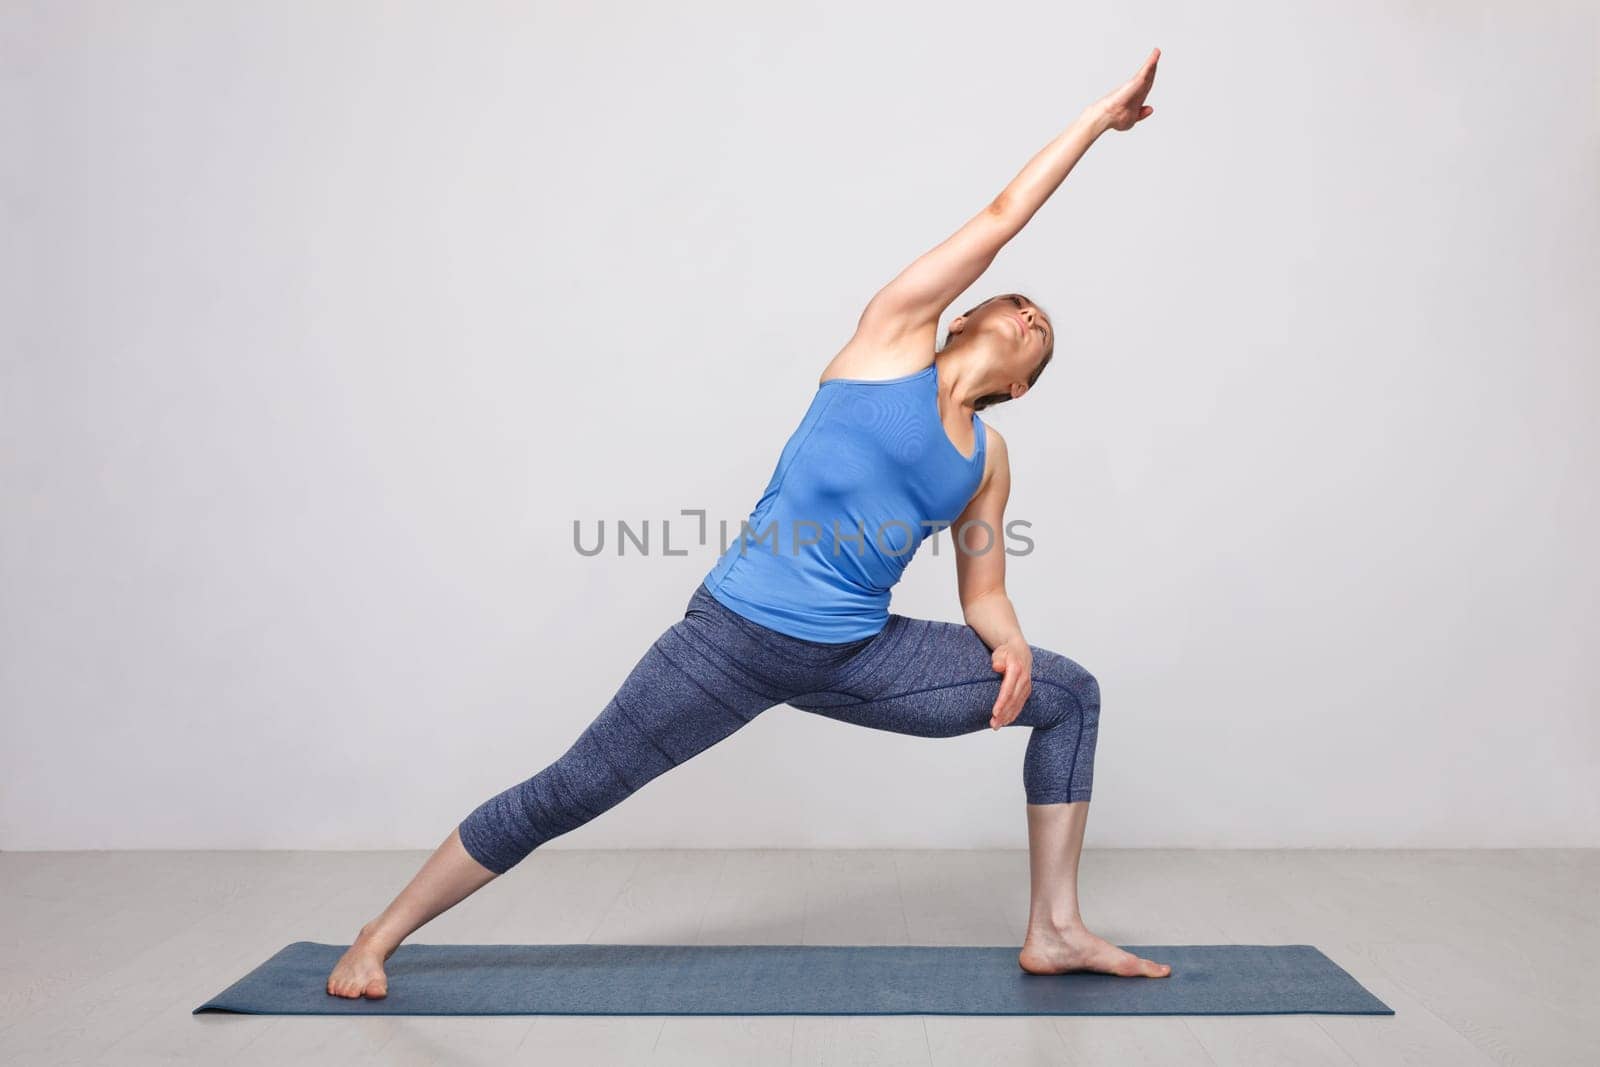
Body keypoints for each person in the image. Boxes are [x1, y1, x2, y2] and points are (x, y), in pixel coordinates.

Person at [328, 47, 1168, 999]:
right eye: (1014, 301)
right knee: (571, 789)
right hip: (729, 640)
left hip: (855, 658)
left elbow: (985, 586)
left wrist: (1010, 644)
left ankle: (1055, 929)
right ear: (964, 312)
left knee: (1070, 693)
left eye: (1040, 330)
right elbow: (1001, 217)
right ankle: (377, 935)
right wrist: (1098, 122)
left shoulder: (988, 459)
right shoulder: (888, 339)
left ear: (1022, 383)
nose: (1026, 313)